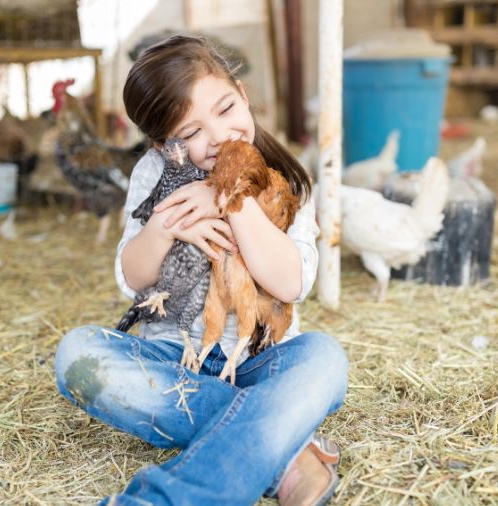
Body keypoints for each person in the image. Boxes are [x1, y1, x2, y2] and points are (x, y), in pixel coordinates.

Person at [54, 34, 348, 506]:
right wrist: (165, 226)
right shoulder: (154, 172)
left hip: (260, 362)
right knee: (77, 354)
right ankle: (284, 449)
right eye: (190, 133)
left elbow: (291, 282)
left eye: (226, 108)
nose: (218, 137)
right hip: (175, 358)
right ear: (163, 143)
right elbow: (133, 277)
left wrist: (230, 199)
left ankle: (166, 498)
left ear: (243, 94)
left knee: (324, 360)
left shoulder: (285, 177)